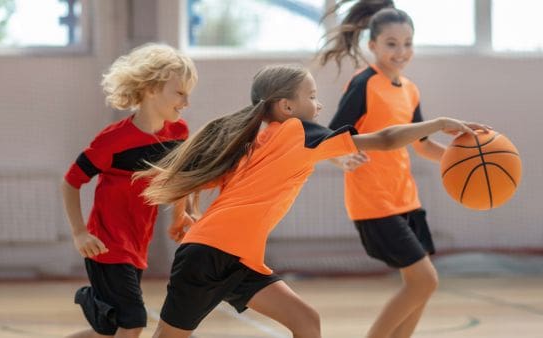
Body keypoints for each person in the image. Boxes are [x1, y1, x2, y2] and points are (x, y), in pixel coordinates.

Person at [135, 64, 489, 338]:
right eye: (313, 96)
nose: (319, 105)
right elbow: (383, 139)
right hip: (208, 256)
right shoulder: (297, 131)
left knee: (306, 320)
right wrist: (438, 122)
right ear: (288, 106)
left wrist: (185, 214)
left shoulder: (259, 140)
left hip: (240, 260)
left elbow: (196, 177)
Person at [318, 1, 461, 337]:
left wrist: (463, 158)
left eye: (408, 43)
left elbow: (423, 144)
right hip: (373, 201)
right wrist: (340, 158)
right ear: (373, 46)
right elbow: (331, 137)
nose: (401, 51)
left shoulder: (410, 90)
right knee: (425, 280)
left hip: (406, 199)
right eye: (392, 44)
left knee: (421, 288)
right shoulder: (365, 83)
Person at [60, 43, 197, 338]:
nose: (186, 101)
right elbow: (71, 182)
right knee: (133, 320)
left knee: (111, 330)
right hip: (107, 246)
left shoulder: (178, 133)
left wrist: (180, 215)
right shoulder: (113, 140)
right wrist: (80, 232)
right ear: (151, 89)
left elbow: (178, 177)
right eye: (180, 92)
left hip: (137, 245)